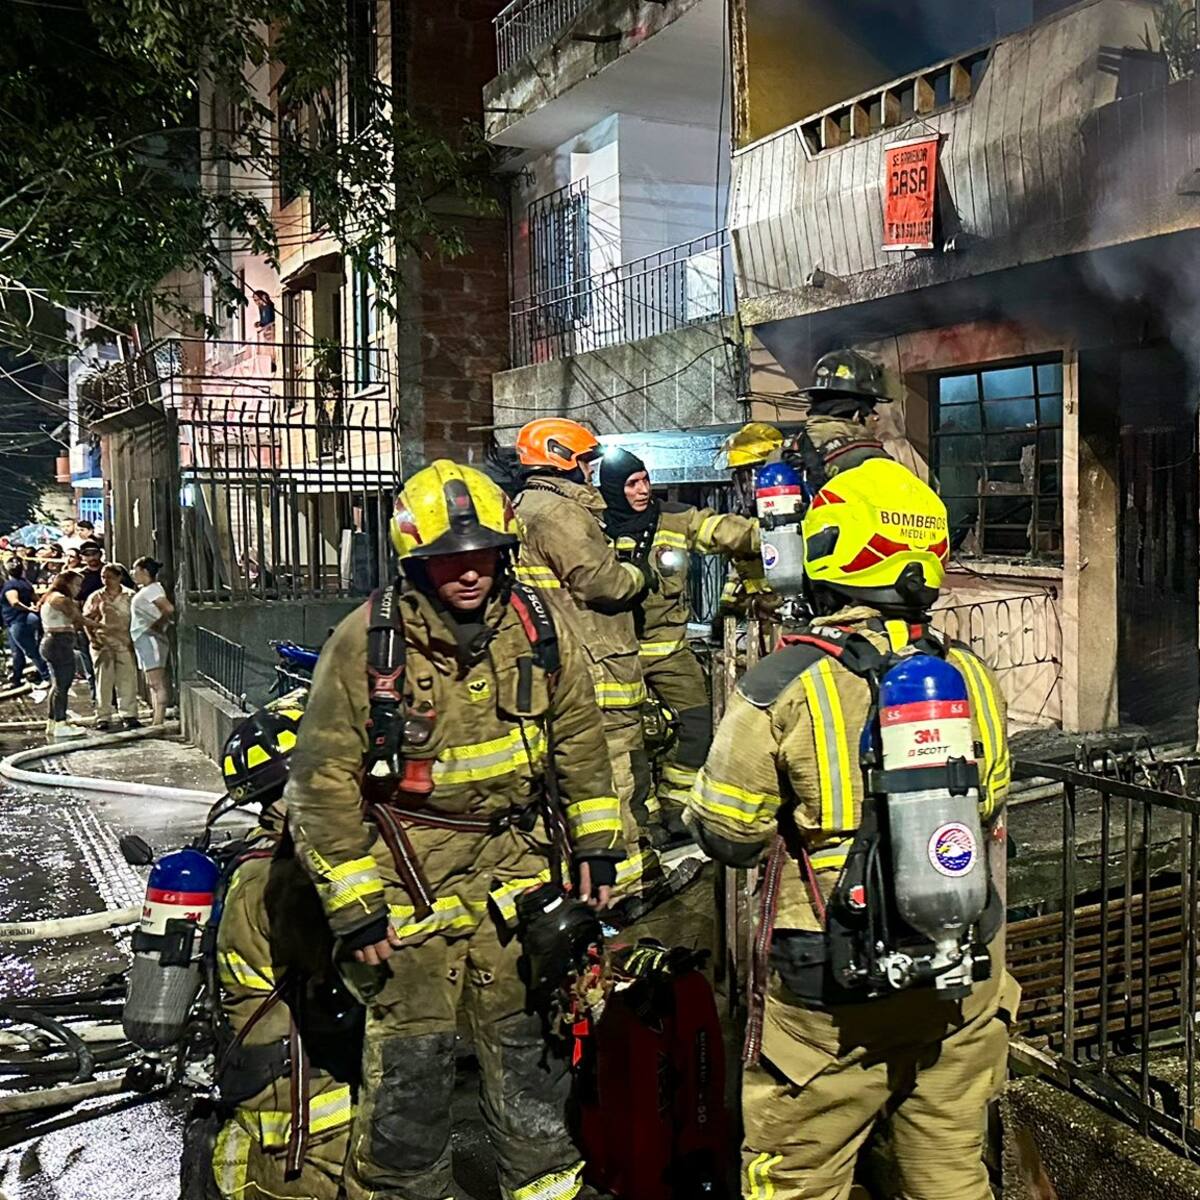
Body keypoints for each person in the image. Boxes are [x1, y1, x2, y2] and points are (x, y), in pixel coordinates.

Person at [283, 460, 621, 1200]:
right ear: (415, 562)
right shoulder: (366, 645)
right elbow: (321, 782)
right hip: (409, 876)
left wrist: (597, 842)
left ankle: (545, 1185)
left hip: (515, 870)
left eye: (482, 555)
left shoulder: (536, 627)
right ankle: (408, 1191)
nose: (468, 572)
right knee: (414, 1064)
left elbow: (579, 736)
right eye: (447, 559)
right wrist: (355, 904)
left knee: (529, 1047)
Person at [685, 458, 1018, 1200]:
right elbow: (991, 798)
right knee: (949, 1169)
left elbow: (728, 833)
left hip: (834, 982)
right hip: (962, 962)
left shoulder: (784, 680)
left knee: (797, 1179)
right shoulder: (969, 672)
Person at [196, 693, 359, 1200]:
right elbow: (365, 975)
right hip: (305, 1110)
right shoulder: (281, 881)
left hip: (275, 1085)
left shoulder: (259, 859)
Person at [512, 418, 655, 885]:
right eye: (586, 462)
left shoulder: (523, 507)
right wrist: (638, 574)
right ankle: (625, 880)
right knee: (613, 774)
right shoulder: (560, 513)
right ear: (563, 461)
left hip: (557, 661)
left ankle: (576, 873)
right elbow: (603, 583)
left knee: (564, 778)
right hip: (596, 665)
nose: (591, 471)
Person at [598, 447, 759, 844]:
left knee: (698, 724)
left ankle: (677, 808)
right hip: (614, 657)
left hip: (669, 651)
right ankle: (642, 818)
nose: (642, 490)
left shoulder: (675, 518)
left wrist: (771, 532)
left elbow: (721, 530)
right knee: (627, 740)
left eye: (645, 481)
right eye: (632, 484)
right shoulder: (591, 528)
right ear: (614, 490)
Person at [83, 563, 140, 731]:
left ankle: (128, 714)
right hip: (103, 642)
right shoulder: (96, 596)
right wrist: (92, 639)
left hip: (124, 641)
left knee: (127, 678)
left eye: (110, 577)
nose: (106, 581)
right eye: (103, 577)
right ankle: (103, 715)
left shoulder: (130, 596)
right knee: (103, 680)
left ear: (119, 577)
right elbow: (86, 619)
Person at [38, 570, 93, 740]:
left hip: (52, 642)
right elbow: (78, 619)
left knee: (57, 685)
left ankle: (53, 722)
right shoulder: (61, 599)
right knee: (63, 684)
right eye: (76, 584)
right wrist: (102, 626)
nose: (78, 589)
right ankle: (60, 723)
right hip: (59, 643)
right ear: (66, 583)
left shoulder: (50, 597)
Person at [130, 556, 174, 725]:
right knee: (152, 682)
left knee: (156, 682)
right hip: (143, 638)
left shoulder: (153, 590)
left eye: (136, 570)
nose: (133, 574)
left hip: (150, 638)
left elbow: (168, 608)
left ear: (145, 571)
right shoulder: (148, 590)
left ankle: (158, 720)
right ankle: (156, 717)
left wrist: (157, 625)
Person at [2, 558, 49, 690]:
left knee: (31, 651)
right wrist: (35, 608)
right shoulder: (25, 583)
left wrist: (28, 609)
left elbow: (14, 602)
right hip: (22, 620)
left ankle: (47, 676)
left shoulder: (10, 586)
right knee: (17, 653)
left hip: (18, 621)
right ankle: (16, 679)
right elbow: (36, 599)